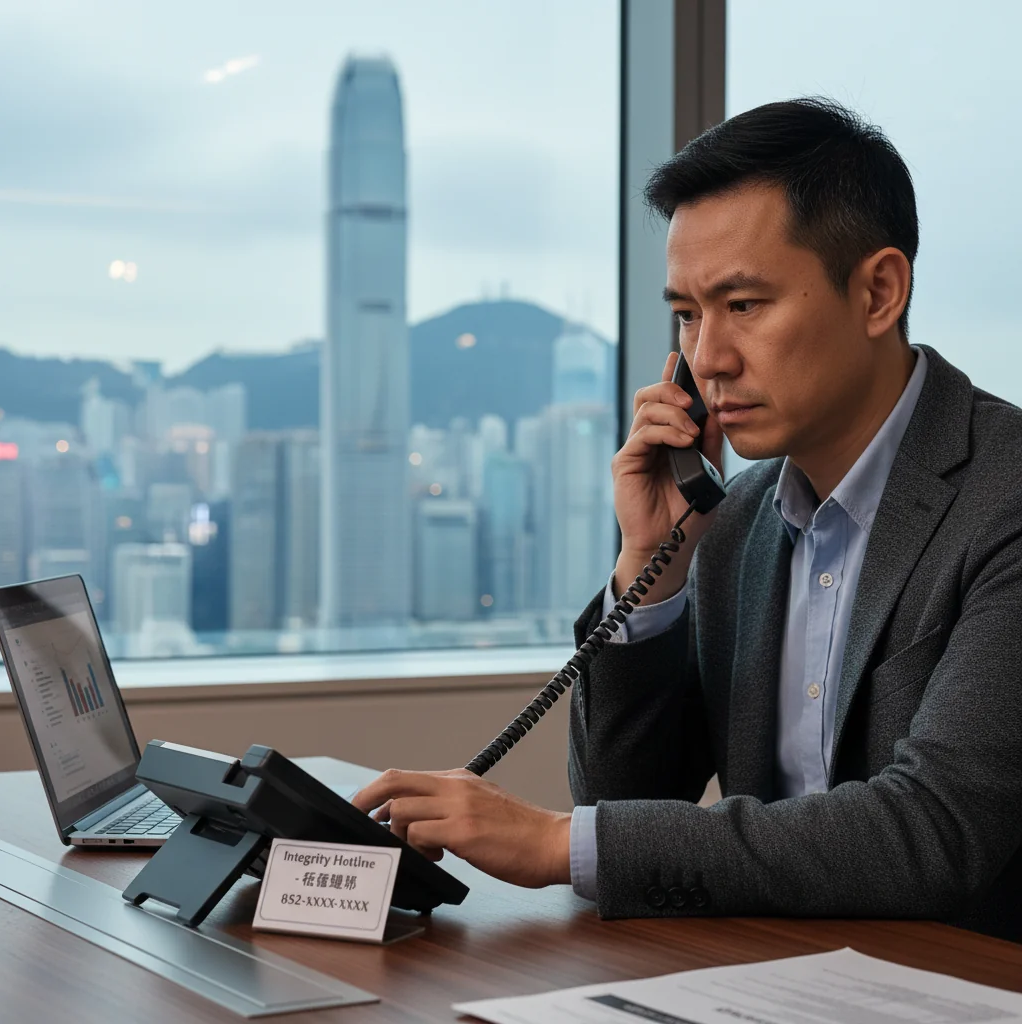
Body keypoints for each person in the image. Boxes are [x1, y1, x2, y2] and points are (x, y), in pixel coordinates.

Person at [353, 98, 1022, 941]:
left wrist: (555, 843)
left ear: (879, 291)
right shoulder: (735, 518)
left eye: (744, 305)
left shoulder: (1004, 496)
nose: (707, 359)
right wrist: (650, 564)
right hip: (782, 976)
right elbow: (625, 805)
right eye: (687, 314)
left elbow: (934, 832)